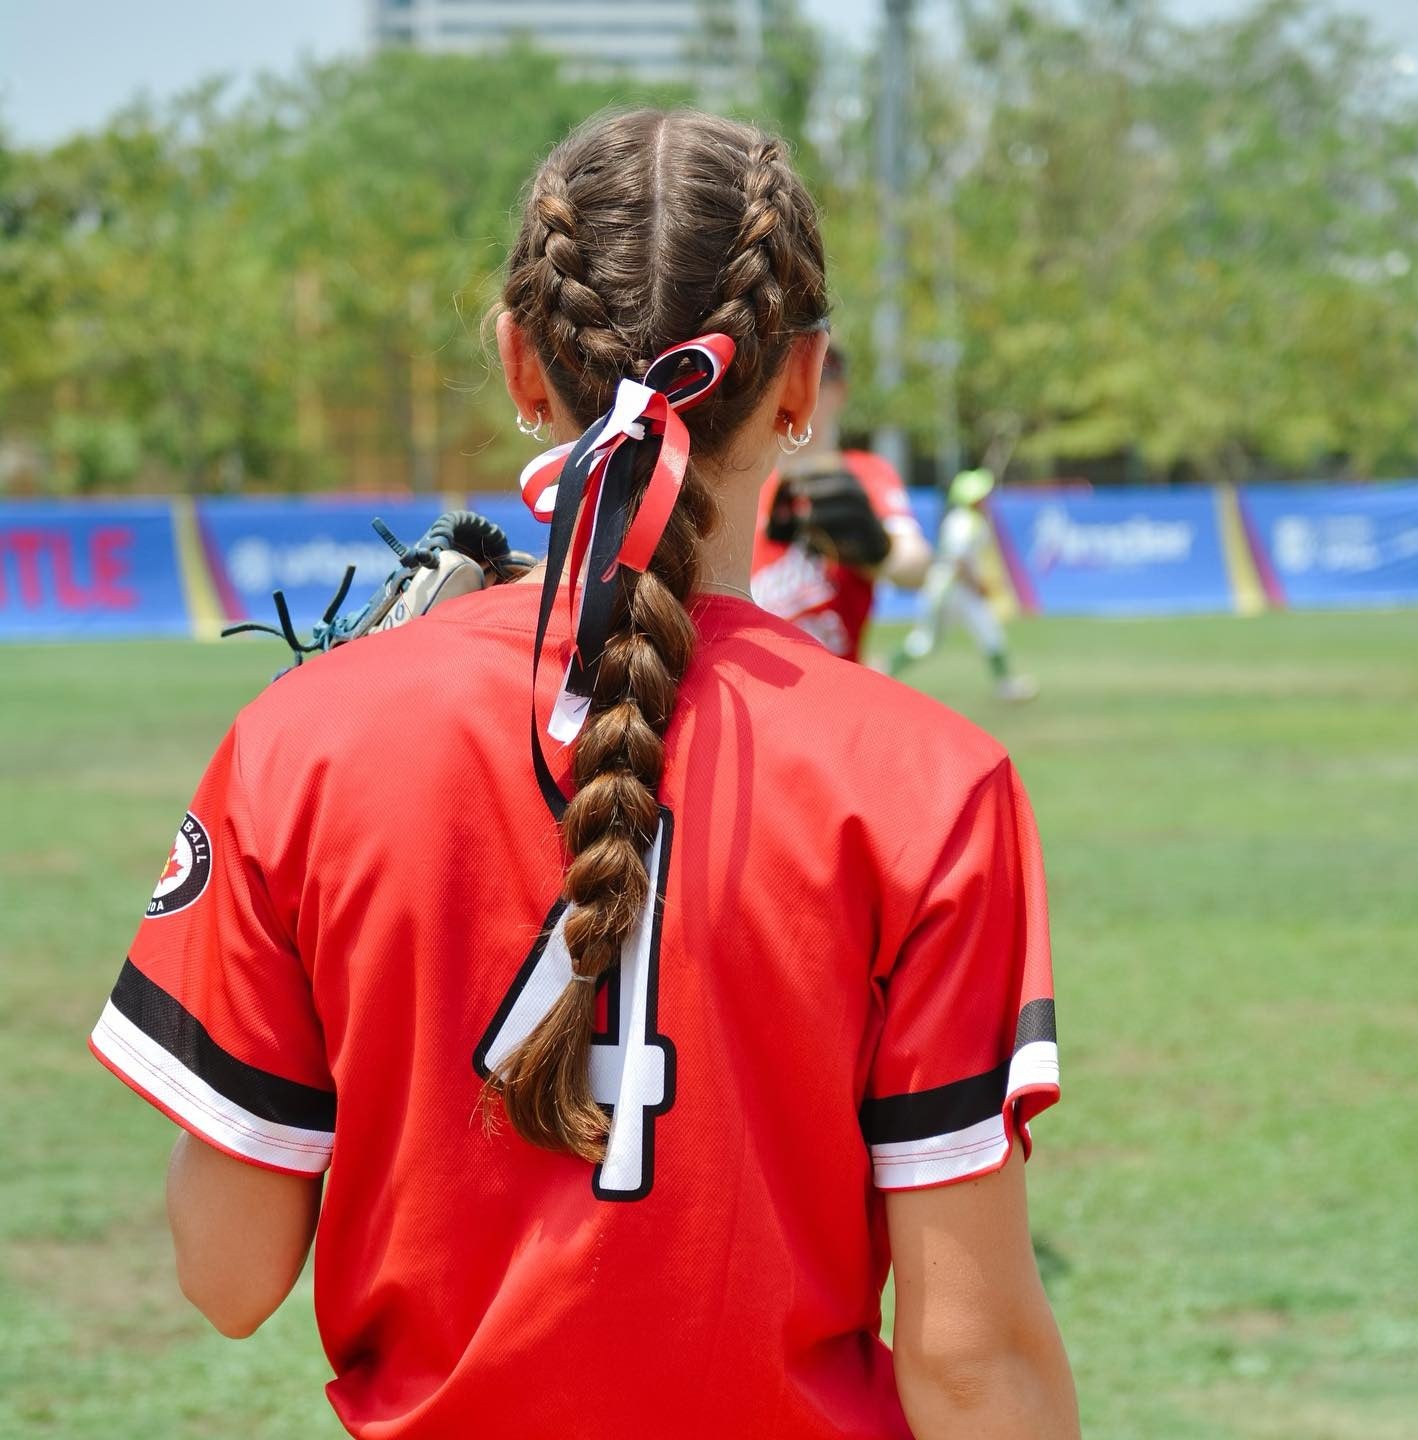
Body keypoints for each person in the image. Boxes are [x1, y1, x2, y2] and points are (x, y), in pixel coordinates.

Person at [89, 110, 1077, 1440]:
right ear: (800, 384)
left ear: (517, 359)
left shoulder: (303, 742)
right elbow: (972, 1360)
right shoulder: (932, 781)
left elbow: (226, 1275)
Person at [751, 345, 930, 661]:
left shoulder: (863, 473)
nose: (798, 394)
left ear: (839, 392)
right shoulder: (744, 482)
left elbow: (915, 566)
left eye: (816, 381)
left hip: (835, 684)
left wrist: (879, 551)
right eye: (784, 379)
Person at [893, 467, 1039, 701]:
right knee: (925, 643)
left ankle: (1006, 686)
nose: (987, 498)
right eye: (982, 494)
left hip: (958, 590)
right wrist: (977, 585)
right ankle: (882, 672)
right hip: (949, 590)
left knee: (990, 632)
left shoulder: (971, 520)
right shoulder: (964, 522)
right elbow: (958, 562)